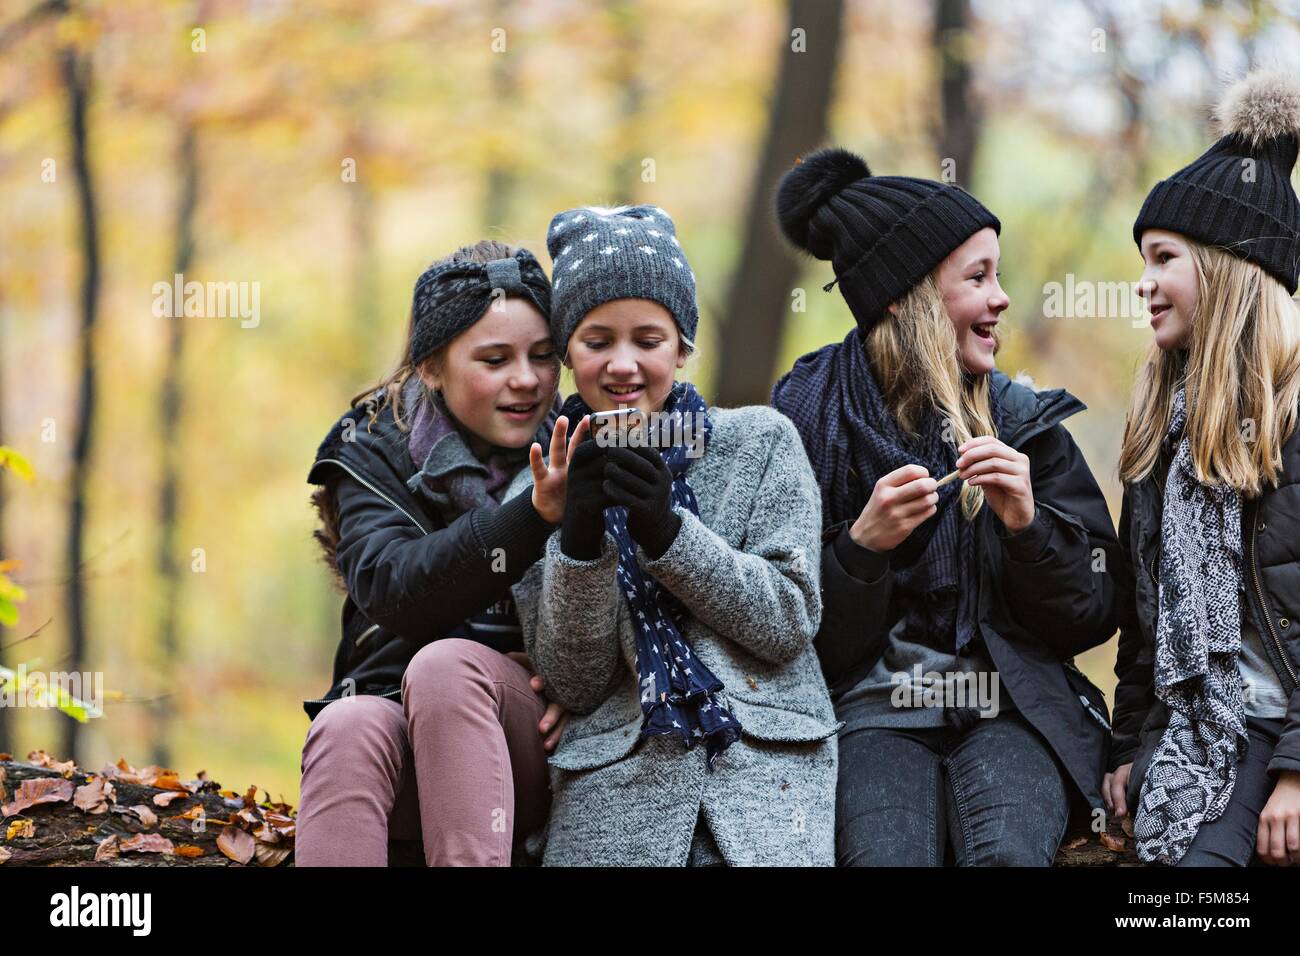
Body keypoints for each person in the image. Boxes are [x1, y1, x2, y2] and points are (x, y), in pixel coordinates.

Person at [772, 147, 1120, 866]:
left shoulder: (1024, 424)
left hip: (1011, 708)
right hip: (869, 712)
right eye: (978, 277)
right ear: (904, 294)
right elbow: (788, 639)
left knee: (1007, 855)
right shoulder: (803, 423)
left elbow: (1092, 613)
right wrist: (860, 552)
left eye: (998, 274)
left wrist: (1027, 527)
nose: (1002, 298)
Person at [508, 203, 837, 865]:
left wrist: (669, 534)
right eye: (598, 341)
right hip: (615, 794)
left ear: (683, 347)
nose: (623, 365)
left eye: (648, 340)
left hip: (761, 775)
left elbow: (788, 620)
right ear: (569, 353)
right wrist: (577, 542)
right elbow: (575, 686)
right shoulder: (540, 486)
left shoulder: (761, 441)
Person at [297, 241, 588, 866]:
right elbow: (395, 588)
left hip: (528, 750)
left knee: (449, 669)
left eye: (543, 357)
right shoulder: (372, 449)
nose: (527, 380)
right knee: (345, 725)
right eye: (495, 359)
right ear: (431, 367)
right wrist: (529, 519)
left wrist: (591, 685)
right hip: (397, 736)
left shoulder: (585, 442)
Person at [1104, 69, 1300, 867]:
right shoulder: (1161, 433)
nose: (1144, 283)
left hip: (1282, 732)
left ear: (1224, 267)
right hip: (1203, 730)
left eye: (1163, 258)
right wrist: (1125, 745)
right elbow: (1139, 615)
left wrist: (1295, 770)